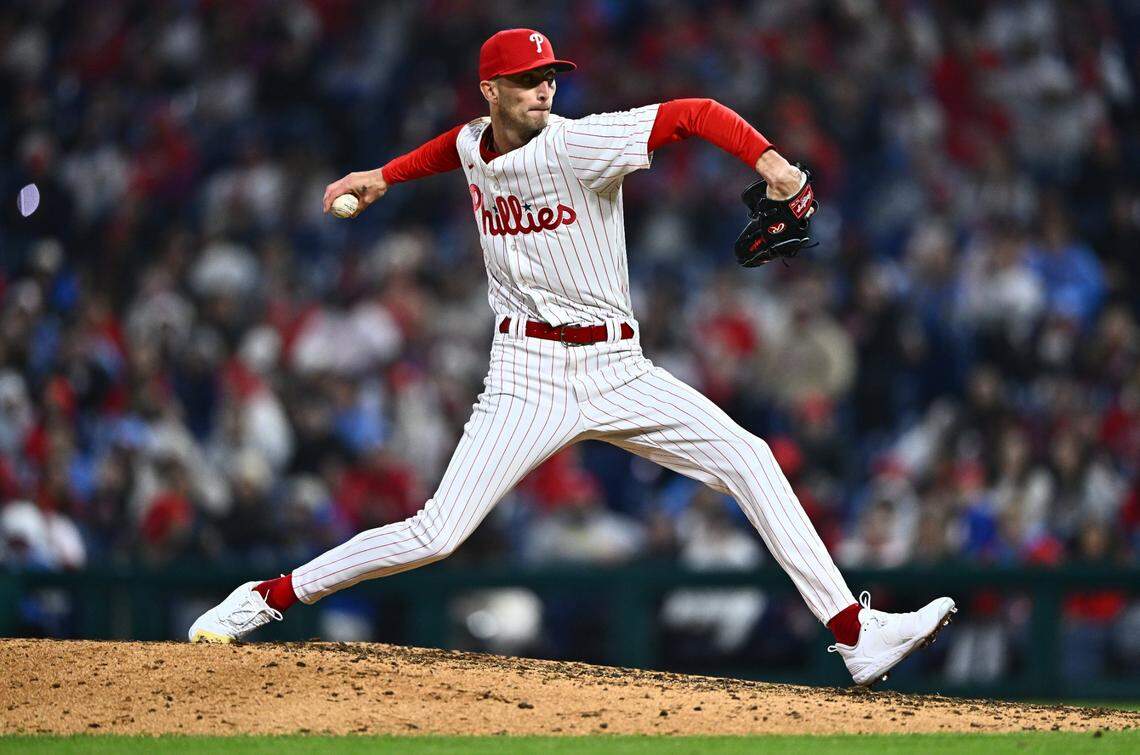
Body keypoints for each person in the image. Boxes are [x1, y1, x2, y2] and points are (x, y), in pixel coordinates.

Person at [189, 28, 955, 686]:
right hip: (526, 376)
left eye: (550, 78)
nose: (543, 91)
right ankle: (268, 595)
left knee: (750, 458)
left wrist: (776, 169)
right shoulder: (473, 141)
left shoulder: (583, 143)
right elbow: (453, 149)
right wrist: (382, 177)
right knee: (435, 533)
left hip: (619, 369)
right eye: (527, 82)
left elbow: (694, 113)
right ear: (491, 89)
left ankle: (855, 632)